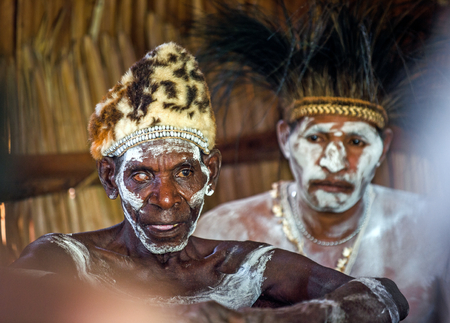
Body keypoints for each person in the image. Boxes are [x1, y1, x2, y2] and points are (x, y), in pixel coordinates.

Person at [9, 42, 410, 322]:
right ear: (110, 179)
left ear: (211, 172)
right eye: (141, 175)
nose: (165, 198)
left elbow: (383, 295)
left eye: (185, 173)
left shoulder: (242, 267)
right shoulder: (70, 259)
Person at [192, 1, 450, 322]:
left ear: (383, 148)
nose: (335, 161)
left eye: (356, 141)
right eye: (316, 138)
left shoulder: (433, 231)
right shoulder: (222, 231)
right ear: (286, 139)